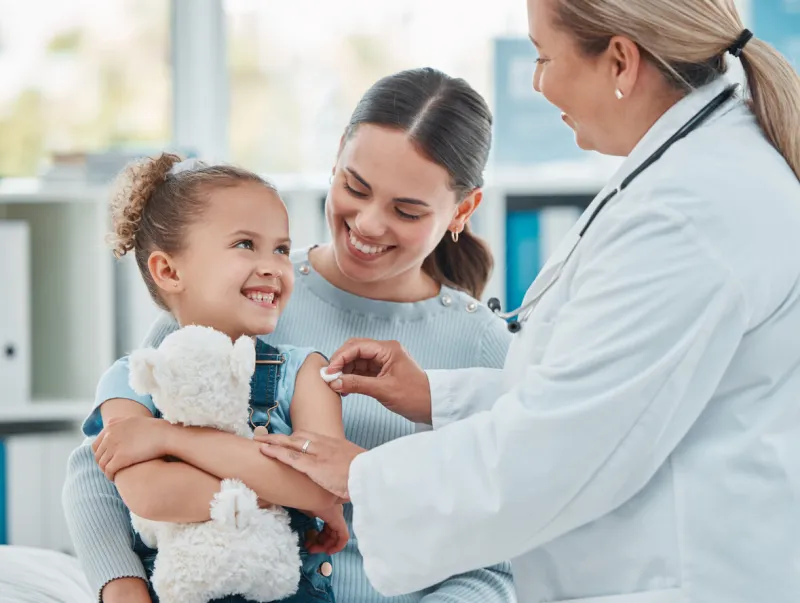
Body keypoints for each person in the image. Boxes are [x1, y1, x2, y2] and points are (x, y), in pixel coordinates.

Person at [255, 1, 800, 602]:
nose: (536, 82)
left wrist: (361, 475)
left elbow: (561, 446)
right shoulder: (692, 173)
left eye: (543, 57)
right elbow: (601, 390)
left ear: (620, 61)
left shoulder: (689, 212)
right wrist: (434, 396)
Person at [62, 68, 517, 603]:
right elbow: (100, 467)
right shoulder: (237, 296)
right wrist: (123, 587)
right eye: (355, 187)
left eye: (407, 210)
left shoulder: (482, 347)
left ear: (462, 210)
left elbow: (492, 560)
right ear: (335, 163)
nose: (369, 223)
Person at [76, 152, 351, 603]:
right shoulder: (131, 381)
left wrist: (169, 439)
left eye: (281, 248)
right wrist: (280, 492)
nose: (272, 265)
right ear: (169, 270)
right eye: (245, 244)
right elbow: (150, 495)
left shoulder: (306, 373)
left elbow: (324, 485)